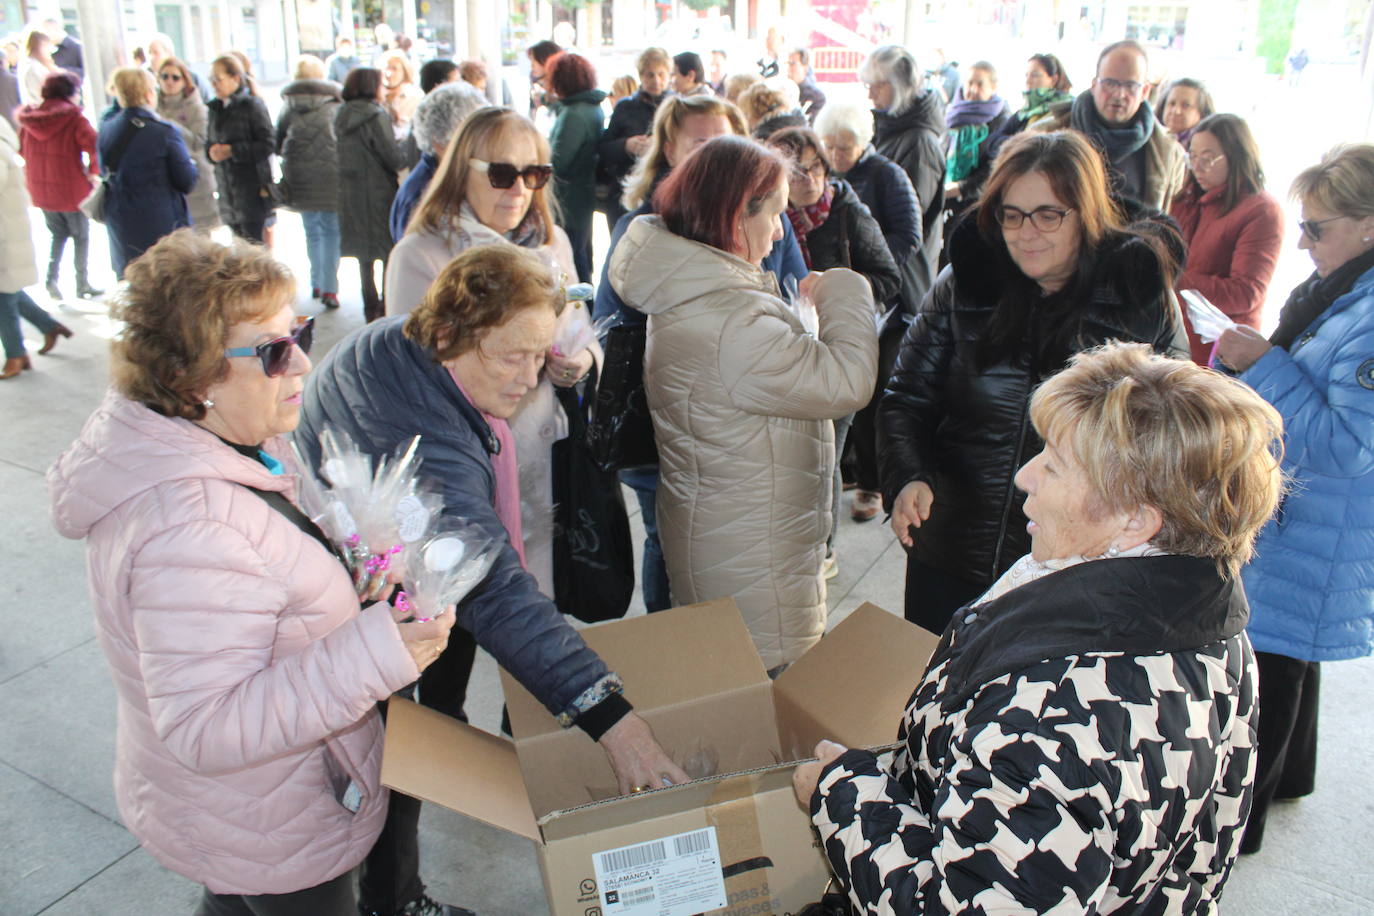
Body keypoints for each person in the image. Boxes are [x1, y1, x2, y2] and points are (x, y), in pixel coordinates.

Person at [46, 229, 460, 913]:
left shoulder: (238, 443)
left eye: (297, 331)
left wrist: (354, 576)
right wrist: (384, 648)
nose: (301, 361)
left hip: (251, 808)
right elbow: (206, 725)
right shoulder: (190, 529)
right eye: (271, 351)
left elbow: (266, 579)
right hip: (267, 822)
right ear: (192, 377)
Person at [796, 341, 1283, 914]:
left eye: (1054, 464)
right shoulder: (1210, 620)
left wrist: (843, 794)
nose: (1026, 476)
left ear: (1135, 522)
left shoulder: (1058, 711)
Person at [295, 243, 688, 915]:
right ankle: (392, 901)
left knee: (414, 726)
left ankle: (392, 887)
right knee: (393, 744)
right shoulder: (425, 450)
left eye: (539, 355)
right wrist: (616, 724)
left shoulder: (405, 344)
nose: (528, 378)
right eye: (513, 355)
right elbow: (494, 589)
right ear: (450, 333)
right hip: (353, 605)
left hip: (384, 571)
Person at [879, 130, 1189, 635]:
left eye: (1049, 214)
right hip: (951, 549)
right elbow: (907, 397)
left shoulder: (1140, 296)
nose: (1027, 232)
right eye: (1012, 214)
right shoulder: (963, 283)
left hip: (1075, 564)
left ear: (1086, 212)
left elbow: (1169, 439)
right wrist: (909, 475)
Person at [609, 134, 878, 670]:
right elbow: (846, 379)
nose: (779, 231)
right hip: (753, 557)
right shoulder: (730, 316)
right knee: (765, 701)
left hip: (730, 532)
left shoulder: (696, 291)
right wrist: (845, 290)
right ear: (736, 218)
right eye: (774, 216)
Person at [1212, 143, 1374, 855]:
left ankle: (1236, 826)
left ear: (1369, 226)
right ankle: (1290, 778)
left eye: (1318, 228)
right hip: (1310, 516)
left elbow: (1345, 444)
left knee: (1270, 661)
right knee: (1291, 652)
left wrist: (1266, 366)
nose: (1303, 243)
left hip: (1320, 518)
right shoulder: (1348, 288)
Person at [594, 96, 810, 615]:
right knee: (666, 542)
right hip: (665, 429)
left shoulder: (764, 213)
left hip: (741, 427)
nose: (714, 150)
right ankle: (675, 646)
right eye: (701, 141)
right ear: (669, 149)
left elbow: (794, 293)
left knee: (723, 562)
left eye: (725, 139)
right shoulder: (646, 231)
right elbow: (610, 326)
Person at [768, 125, 898, 578]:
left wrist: (838, 296)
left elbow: (888, 278)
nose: (805, 177)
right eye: (794, 168)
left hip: (838, 353)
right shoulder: (768, 217)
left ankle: (823, 551)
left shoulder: (847, 212)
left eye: (814, 166)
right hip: (787, 358)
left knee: (826, 456)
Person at [814, 102, 921, 524]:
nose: (837, 155)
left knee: (873, 397)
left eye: (846, 147)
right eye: (831, 147)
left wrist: (858, 279)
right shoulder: (825, 178)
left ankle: (872, 484)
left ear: (863, 143)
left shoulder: (887, 175)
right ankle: (849, 470)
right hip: (837, 306)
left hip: (883, 304)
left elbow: (909, 234)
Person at [1169, 113, 1283, 364]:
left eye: (1208, 159)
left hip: (1219, 352)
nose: (1197, 166)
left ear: (1237, 156)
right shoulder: (1186, 199)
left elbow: (1245, 293)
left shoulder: (1260, 210)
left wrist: (1174, 278)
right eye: (1193, 157)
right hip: (1177, 339)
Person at [1034, 40, 1187, 211]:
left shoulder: (1168, 153)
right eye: (1110, 83)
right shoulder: (1043, 135)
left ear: (1144, 91)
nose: (1119, 94)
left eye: (1130, 86)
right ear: (1094, 85)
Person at [859, 45, 945, 305]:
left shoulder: (920, 143)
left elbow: (909, 222)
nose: (871, 93)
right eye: (868, 85)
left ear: (901, 86)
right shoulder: (889, 128)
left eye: (879, 85)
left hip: (905, 281)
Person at [98, 67, 196, 278]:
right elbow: (186, 180)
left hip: (121, 219)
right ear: (148, 94)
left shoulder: (106, 128)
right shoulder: (162, 131)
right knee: (167, 282)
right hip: (160, 222)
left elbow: (102, 169)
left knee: (134, 284)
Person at [17, 69, 101, 301]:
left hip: (42, 192)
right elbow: (95, 146)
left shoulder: (30, 120)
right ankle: (81, 283)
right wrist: (94, 172)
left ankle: (51, 280)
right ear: (71, 93)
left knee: (58, 235)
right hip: (71, 191)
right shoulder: (74, 119)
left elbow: (21, 149)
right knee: (81, 237)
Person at [2, 115, 71, 378]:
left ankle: (15, 353)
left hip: (6, 234)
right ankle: (48, 325)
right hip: (8, 231)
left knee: (3, 294)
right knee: (7, 289)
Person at [336, 66, 406, 321]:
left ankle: (369, 309)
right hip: (379, 191)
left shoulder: (339, 115)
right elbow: (393, 157)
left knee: (364, 256)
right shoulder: (375, 116)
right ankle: (385, 308)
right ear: (370, 86)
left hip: (350, 192)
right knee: (388, 250)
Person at [277, 55, 344, 308]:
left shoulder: (288, 106)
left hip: (300, 176)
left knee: (312, 231)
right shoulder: (335, 104)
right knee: (331, 231)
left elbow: (277, 141)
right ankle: (330, 288)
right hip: (330, 175)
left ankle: (316, 282)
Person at [389, 81, 488, 242]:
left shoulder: (441, 180)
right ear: (440, 142)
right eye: (472, 136)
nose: (482, 145)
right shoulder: (425, 196)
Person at [545, 51, 605, 283]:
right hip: (582, 196)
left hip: (568, 201)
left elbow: (558, 163)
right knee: (582, 256)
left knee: (573, 261)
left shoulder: (573, 114)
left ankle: (583, 312)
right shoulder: (592, 107)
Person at [598, 47, 669, 232]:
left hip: (663, 194)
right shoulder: (626, 107)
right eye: (650, 75)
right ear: (640, 76)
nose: (656, 81)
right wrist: (627, 146)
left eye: (661, 74)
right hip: (625, 193)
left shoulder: (676, 108)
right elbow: (604, 149)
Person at [206, 53, 273, 243]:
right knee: (238, 249)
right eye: (211, 79)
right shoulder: (215, 109)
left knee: (254, 249)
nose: (214, 84)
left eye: (218, 79)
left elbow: (268, 143)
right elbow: (209, 142)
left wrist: (232, 151)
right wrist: (212, 153)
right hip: (227, 193)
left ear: (235, 78)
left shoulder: (252, 106)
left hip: (251, 193)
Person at [155, 56, 220, 234]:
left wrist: (169, 126)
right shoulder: (152, 106)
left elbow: (199, 141)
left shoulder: (195, 106)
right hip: (165, 184)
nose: (169, 81)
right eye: (165, 76)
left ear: (185, 80)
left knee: (200, 242)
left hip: (194, 181)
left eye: (175, 77)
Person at [942, 60, 1010, 217]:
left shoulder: (1001, 120)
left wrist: (962, 188)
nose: (972, 89)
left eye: (980, 84)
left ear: (993, 87)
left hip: (979, 205)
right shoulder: (952, 115)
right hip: (947, 201)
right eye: (969, 83)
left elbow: (996, 166)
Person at [986, 53, 1073, 157]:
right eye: (1027, 75)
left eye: (1035, 75)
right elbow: (991, 142)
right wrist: (1019, 143)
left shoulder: (1064, 111)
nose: (1028, 81)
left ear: (1053, 80)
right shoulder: (1025, 112)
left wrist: (1013, 144)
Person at [146, 33, 211, 101]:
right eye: (149, 53)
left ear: (169, 53)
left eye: (156, 53)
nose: (151, 57)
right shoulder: (148, 80)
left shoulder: (192, 77)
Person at [738, 79, 805, 140]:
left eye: (746, 114)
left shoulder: (762, 139)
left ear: (756, 112)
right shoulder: (800, 123)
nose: (746, 119)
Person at [1159, 77, 1214, 147]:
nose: (1176, 111)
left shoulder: (1204, 147)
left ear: (1202, 112)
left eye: (1186, 105)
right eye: (1172, 103)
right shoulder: (1152, 139)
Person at [379, 49, 422, 138]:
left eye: (394, 69)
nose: (389, 73)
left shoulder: (415, 97)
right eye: (386, 68)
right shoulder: (375, 97)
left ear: (405, 72)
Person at [785, 46, 826, 122]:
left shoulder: (816, 97)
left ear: (805, 68)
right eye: (787, 63)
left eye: (792, 64)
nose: (788, 68)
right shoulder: (782, 92)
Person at [19, 29, 55, 106]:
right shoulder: (32, 68)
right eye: (47, 46)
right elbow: (40, 96)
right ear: (41, 45)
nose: (50, 51)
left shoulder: (37, 65)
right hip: (43, 111)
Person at [42, 19, 82, 84]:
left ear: (57, 29)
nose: (46, 35)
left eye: (48, 31)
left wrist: (64, 71)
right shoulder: (47, 49)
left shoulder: (76, 46)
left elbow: (86, 72)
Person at [526, 39, 560, 117]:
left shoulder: (560, 89)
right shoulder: (537, 83)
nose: (531, 66)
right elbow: (533, 113)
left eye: (533, 60)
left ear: (546, 59)